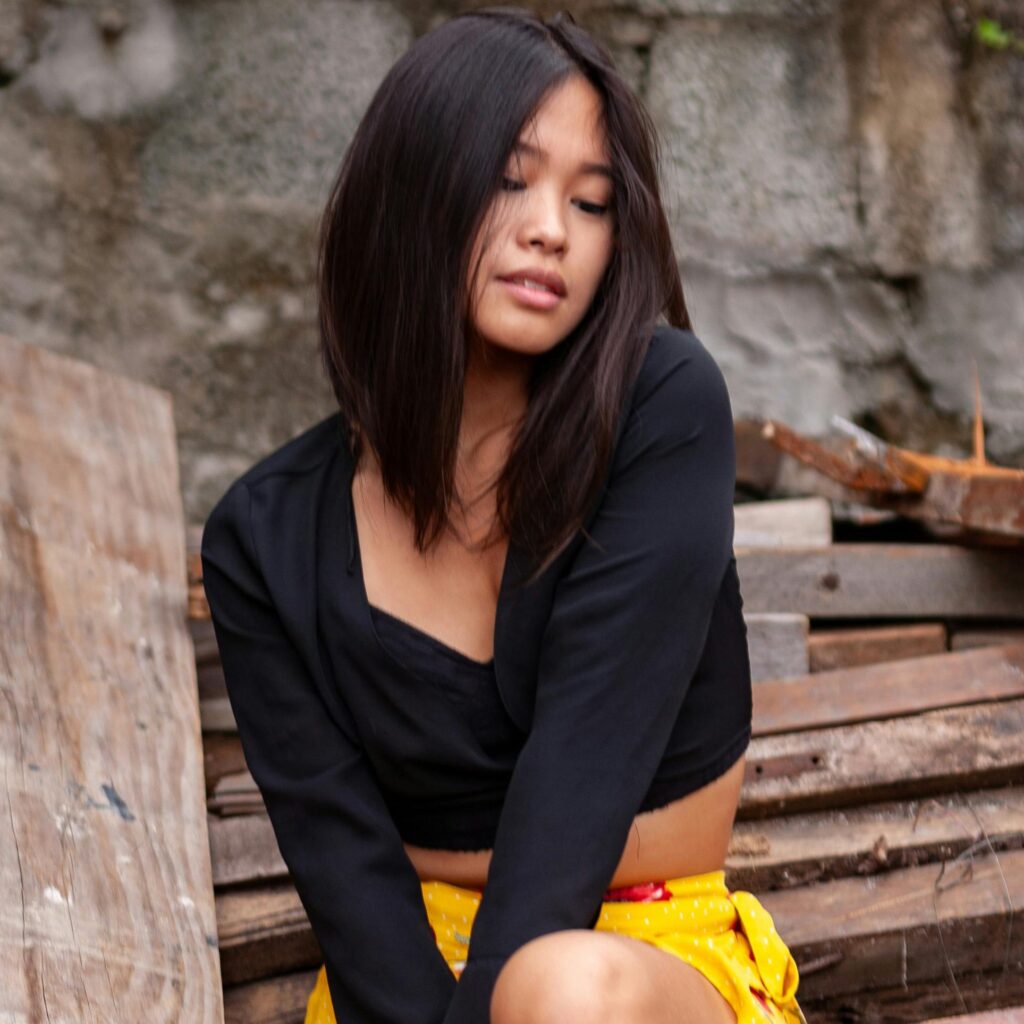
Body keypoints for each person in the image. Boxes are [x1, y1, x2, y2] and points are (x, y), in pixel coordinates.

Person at [201, 7, 807, 1023]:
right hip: (405, 979)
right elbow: (348, 873)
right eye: (509, 178)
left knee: (557, 989)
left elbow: (580, 775)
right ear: (412, 184)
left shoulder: (659, 408)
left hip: (644, 959)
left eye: (593, 200)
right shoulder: (262, 541)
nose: (551, 229)